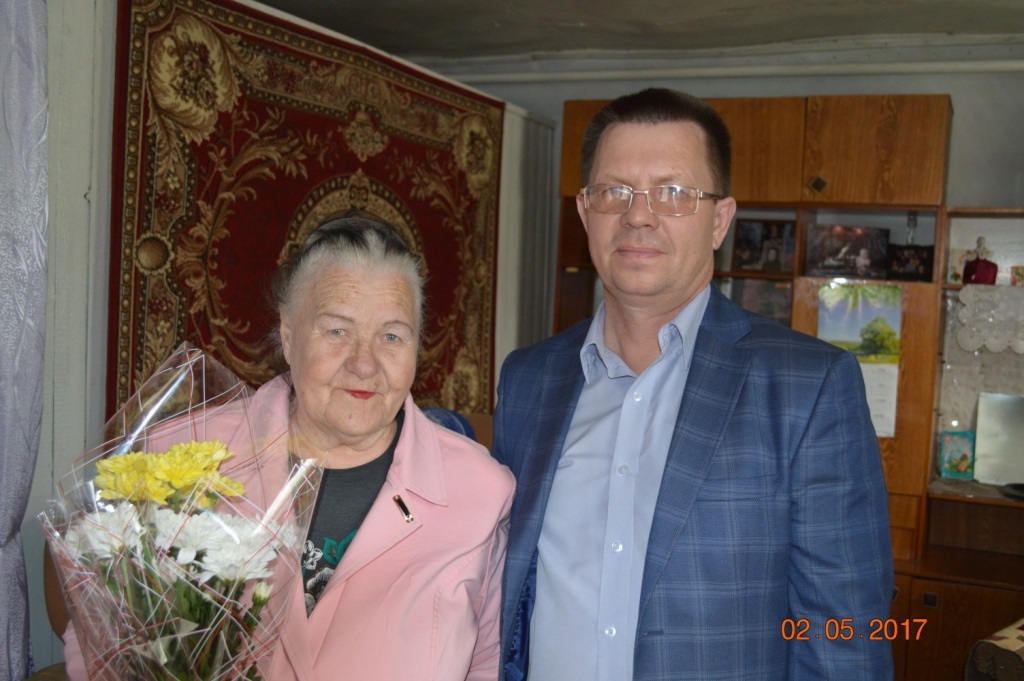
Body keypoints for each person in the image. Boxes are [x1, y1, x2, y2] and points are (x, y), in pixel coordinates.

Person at [492, 89, 894, 680]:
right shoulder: (528, 380)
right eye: (614, 192)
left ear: (720, 221)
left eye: (674, 193)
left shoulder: (807, 389)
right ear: (584, 212)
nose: (638, 215)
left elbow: (847, 635)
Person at [53, 215, 515, 680]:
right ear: (289, 336)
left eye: (391, 336)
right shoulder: (178, 455)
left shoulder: (479, 492)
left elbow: (489, 662)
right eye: (337, 331)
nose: (364, 364)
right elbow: (103, 634)